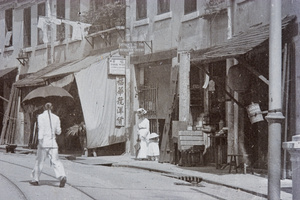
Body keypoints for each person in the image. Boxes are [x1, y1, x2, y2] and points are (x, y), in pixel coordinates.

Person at [30, 102, 67, 187]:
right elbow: (58, 132)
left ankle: (35, 179)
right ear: (52, 107)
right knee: (56, 161)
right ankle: (62, 176)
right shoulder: (56, 118)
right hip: (53, 144)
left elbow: (41, 130)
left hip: (43, 143)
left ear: (43, 107)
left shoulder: (40, 117)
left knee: (39, 161)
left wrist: (40, 141)